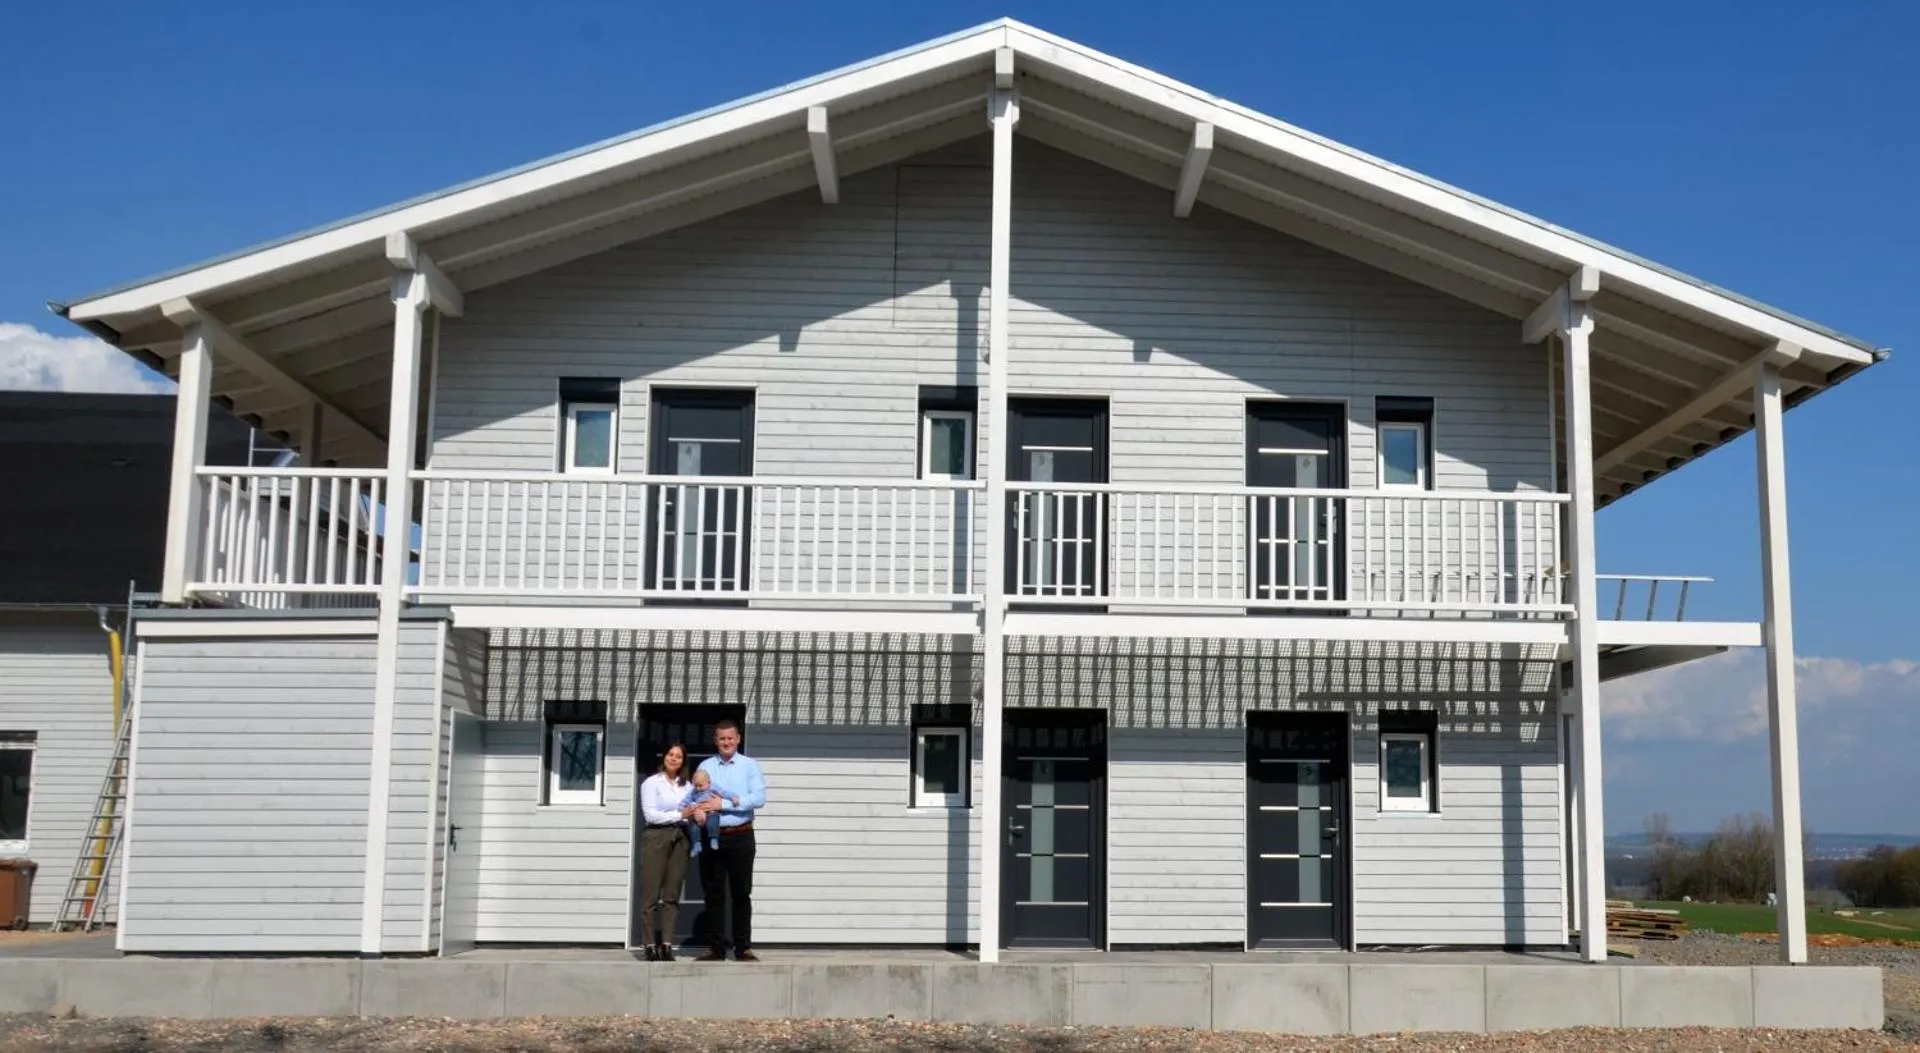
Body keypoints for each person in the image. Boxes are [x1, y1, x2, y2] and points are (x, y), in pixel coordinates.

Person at [694, 719, 766, 961]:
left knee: (741, 893)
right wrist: (701, 809)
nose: (726, 742)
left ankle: (743, 947)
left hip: (741, 836)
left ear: (738, 739)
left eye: (730, 738)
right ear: (716, 741)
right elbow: (697, 795)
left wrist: (722, 804)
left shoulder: (749, 766)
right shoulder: (705, 766)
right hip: (713, 837)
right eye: (721, 739)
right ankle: (716, 948)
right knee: (713, 893)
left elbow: (758, 798)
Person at [635, 743, 710, 962]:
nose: (674, 759)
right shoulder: (651, 783)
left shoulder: (687, 786)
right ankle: (649, 944)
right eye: (671, 754)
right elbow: (651, 815)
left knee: (672, 892)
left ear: (683, 761)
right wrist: (680, 814)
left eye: (679, 756)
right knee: (651, 892)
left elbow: (694, 808)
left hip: (681, 837)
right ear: (664, 756)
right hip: (656, 837)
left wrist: (698, 814)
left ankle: (667, 944)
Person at [683, 769, 723, 857]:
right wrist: (683, 807)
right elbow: (686, 800)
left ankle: (714, 838)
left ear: (708, 782)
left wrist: (732, 797)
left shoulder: (713, 788)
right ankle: (696, 844)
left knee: (713, 819)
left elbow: (723, 793)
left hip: (711, 811)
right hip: (698, 813)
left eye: (700, 786)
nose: (698, 788)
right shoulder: (694, 792)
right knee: (693, 825)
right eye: (696, 786)